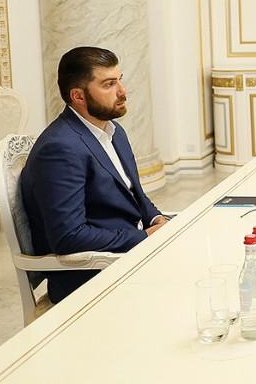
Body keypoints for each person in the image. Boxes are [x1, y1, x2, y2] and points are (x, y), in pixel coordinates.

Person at [20, 47, 169, 302]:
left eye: (120, 80)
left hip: (128, 255)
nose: (122, 91)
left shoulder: (114, 132)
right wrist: (143, 237)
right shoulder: (60, 148)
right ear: (78, 95)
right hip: (92, 277)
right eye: (109, 84)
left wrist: (157, 219)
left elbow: (135, 195)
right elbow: (69, 237)